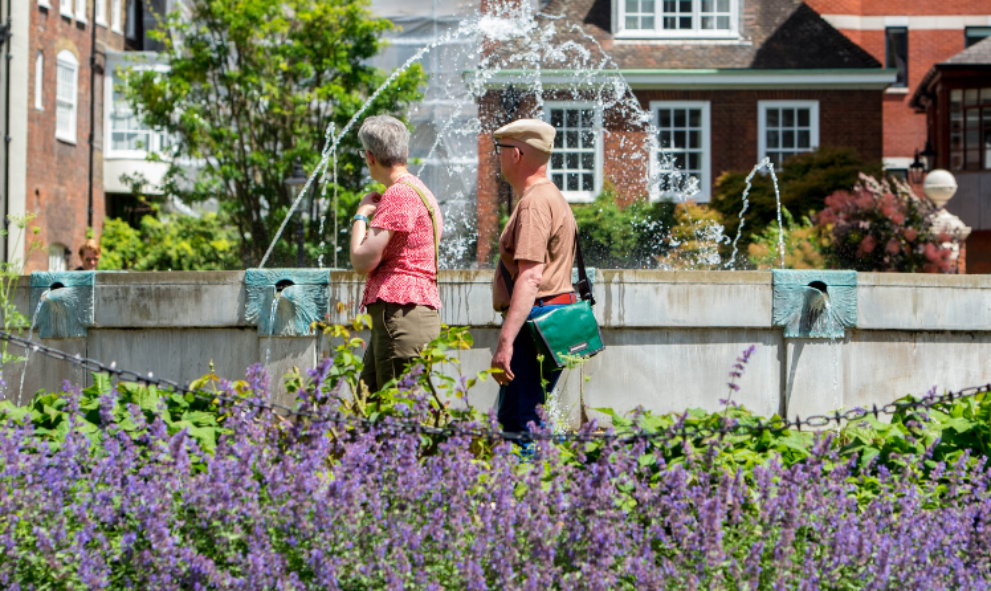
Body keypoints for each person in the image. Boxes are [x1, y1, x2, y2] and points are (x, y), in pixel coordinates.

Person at [489, 118, 577, 436]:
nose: (496, 156)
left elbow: (530, 278)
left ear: (517, 154)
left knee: (524, 423)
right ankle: (519, 482)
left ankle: (531, 484)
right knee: (516, 420)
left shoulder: (534, 203)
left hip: (537, 320)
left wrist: (505, 342)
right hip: (551, 316)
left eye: (500, 149)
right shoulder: (551, 196)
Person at [350, 115, 444, 393]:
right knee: (369, 407)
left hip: (401, 314)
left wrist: (360, 216)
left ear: (369, 156)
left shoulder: (398, 195)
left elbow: (362, 260)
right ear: (403, 152)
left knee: (394, 417)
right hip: (412, 313)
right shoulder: (420, 190)